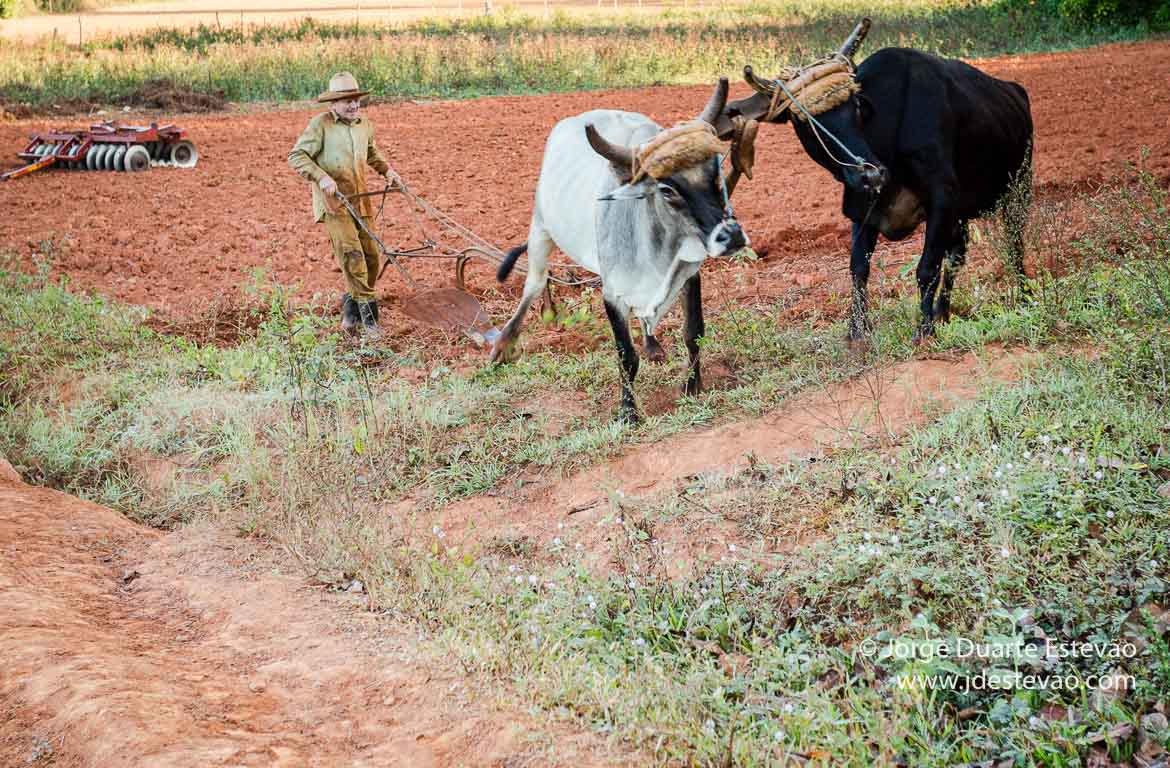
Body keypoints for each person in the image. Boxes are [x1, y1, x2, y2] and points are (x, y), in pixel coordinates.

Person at [288, 71, 401, 339]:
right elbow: (297, 155)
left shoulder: (364, 125)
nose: (352, 105)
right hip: (334, 204)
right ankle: (370, 321)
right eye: (346, 100)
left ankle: (350, 313)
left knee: (372, 258)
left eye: (355, 99)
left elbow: (371, 152)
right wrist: (322, 177)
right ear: (333, 103)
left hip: (361, 200)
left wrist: (388, 172)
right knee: (353, 257)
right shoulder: (320, 125)